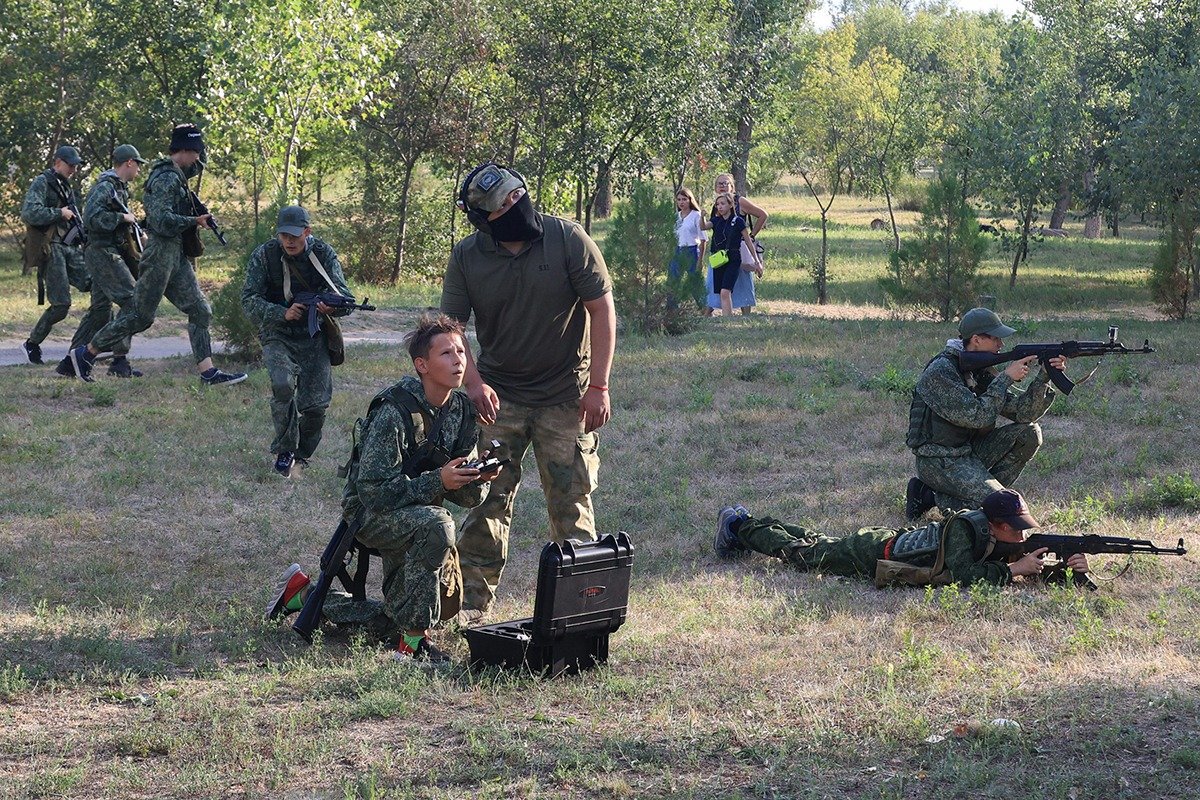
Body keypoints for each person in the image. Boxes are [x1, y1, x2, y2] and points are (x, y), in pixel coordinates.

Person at [267, 314, 501, 662]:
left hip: (415, 510)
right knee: (438, 526)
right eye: (446, 354)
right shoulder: (395, 410)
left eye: (461, 353)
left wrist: (475, 478)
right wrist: (437, 480)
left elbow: (463, 497)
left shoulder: (462, 412)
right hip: (369, 514)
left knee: (392, 620)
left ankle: (303, 595)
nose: (458, 360)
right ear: (422, 365)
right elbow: (373, 491)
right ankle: (414, 644)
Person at [440, 163, 616, 619]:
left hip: (565, 398)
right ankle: (471, 608)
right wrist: (474, 384)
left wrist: (598, 385)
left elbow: (601, 310)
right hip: (499, 402)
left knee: (571, 505)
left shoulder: (568, 239)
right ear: (486, 219)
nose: (518, 206)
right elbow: (452, 332)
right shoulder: (466, 257)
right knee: (485, 504)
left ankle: (581, 611)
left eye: (519, 196)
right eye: (505, 206)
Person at [66, 124, 246, 386]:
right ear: (183, 151)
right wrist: (194, 220)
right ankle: (86, 354)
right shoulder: (165, 178)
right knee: (140, 316)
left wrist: (198, 131)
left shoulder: (179, 173)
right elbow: (160, 221)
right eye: (195, 152)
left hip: (176, 254)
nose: (197, 158)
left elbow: (199, 163)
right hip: (160, 253)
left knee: (200, 310)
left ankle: (208, 372)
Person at [714, 489, 1089, 587]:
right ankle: (739, 526)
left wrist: (1065, 569)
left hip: (886, 543)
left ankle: (754, 521)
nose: (1021, 533)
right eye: (1015, 526)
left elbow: (1019, 561)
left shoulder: (994, 534)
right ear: (996, 524)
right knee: (804, 555)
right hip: (874, 552)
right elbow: (963, 575)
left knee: (816, 541)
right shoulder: (965, 529)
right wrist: (1014, 571)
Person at [904, 308, 1067, 520]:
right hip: (938, 460)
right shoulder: (941, 372)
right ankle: (933, 496)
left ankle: (976, 493)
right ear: (977, 340)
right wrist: (1006, 378)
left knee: (1029, 433)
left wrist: (1044, 376)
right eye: (996, 339)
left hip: (966, 452)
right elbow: (978, 416)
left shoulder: (979, 368)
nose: (1001, 345)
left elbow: (1023, 413)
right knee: (1001, 508)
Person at [241, 205, 353, 478]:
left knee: (315, 406)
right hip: (277, 333)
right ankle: (284, 450)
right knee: (282, 385)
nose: (289, 241)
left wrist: (331, 308)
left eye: (294, 235)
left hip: (314, 335)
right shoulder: (265, 255)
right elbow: (248, 300)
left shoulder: (323, 254)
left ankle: (301, 455)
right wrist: (282, 313)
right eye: (284, 235)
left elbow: (345, 299)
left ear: (307, 231)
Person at [55, 144, 148, 379]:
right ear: (129, 163)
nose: (139, 170)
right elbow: (92, 219)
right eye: (138, 164)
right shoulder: (106, 186)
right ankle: (116, 360)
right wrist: (121, 217)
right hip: (103, 254)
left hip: (106, 252)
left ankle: (70, 362)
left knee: (99, 311)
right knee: (131, 302)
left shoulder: (118, 187)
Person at [20, 145, 91, 365]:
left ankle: (95, 346)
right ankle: (32, 343)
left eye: (76, 166)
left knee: (96, 284)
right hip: (53, 249)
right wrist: (58, 212)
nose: (74, 170)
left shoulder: (65, 185)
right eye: (70, 165)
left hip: (71, 247)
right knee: (61, 306)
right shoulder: (43, 182)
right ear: (58, 162)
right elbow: (29, 212)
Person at [705, 173, 768, 316]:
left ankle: (746, 314)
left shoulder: (740, 202)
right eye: (719, 184)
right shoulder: (717, 205)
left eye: (726, 183)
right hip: (719, 252)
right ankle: (708, 312)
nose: (722, 186)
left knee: (743, 282)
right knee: (715, 282)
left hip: (737, 250)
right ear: (715, 188)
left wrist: (751, 236)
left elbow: (763, 215)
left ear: (732, 186)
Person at [669, 187, 707, 299]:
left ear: (690, 200)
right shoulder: (677, 216)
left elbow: (703, 239)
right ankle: (671, 308)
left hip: (691, 250)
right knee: (673, 280)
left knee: (694, 280)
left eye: (684, 199)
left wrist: (700, 260)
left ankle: (703, 307)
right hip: (677, 250)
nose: (681, 202)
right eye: (679, 199)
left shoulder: (696, 215)